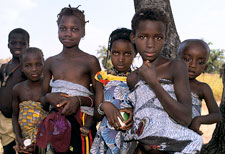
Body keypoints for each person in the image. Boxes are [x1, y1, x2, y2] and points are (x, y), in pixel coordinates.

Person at [124, 9, 203, 154]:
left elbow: (185, 118)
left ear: (165, 39)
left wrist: (153, 83)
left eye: (158, 38)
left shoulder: (175, 67)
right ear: (133, 37)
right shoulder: (132, 78)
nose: (150, 44)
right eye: (143, 37)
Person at [38, 5, 103, 154]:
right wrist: (49, 97)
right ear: (57, 30)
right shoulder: (50, 62)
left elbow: (99, 99)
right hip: (56, 124)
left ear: (83, 32)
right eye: (63, 28)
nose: (68, 33)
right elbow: (42, 99)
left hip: (83, 124)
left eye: (74, 29)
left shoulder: (90, 61)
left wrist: (80, 102)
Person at [90, 28, 136, 154]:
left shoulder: (140, 78)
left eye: (127, 53)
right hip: (107, 133)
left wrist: (134, 111)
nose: (121, 58)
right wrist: (105, 106)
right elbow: (97, 114)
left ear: (135, 53)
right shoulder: (102, 77)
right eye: (116, 53)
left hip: (131, 134)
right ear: (110, 53)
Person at [177, 39, 221, 135]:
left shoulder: (202, 88)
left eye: (200, 62)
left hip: (188, 135)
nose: (193, 65)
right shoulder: (167, 82)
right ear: (176, 60)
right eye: (187, 59)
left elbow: (217, 115)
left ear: (205, 67)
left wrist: (199, 120)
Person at [0, 28, 29, 154]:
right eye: (14, 43)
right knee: (8, 151)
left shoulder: (28, 67)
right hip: (5, 124)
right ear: (8, 45)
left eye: (22, 43)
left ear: (28, 45)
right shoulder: (4, 67)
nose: (18, 46)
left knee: (24, 149)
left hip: (21, 122)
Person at [12, 47, 47, 154]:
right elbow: (14, 116)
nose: (34, 69)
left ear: (44, 64)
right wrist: (19, 139)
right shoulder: (18, 89)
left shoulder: (48, 87)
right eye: (28, 66)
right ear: (22, 68)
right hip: (25, 141)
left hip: (45, 141)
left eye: (38, 64)